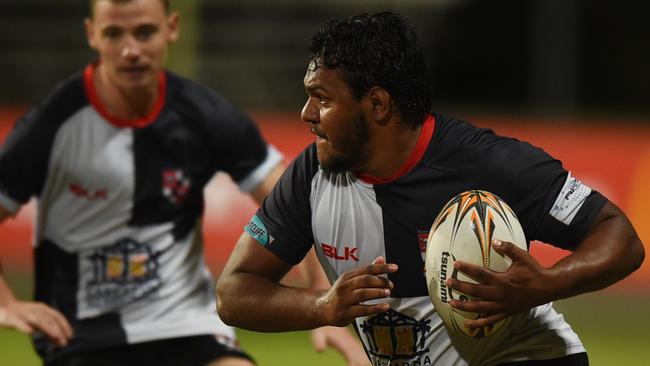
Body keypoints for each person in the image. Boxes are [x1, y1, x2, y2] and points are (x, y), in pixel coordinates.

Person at [216, 11, 645, 366]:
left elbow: (619, 237)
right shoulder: (312, 175)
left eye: (322, 98)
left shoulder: (487, 163)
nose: (306, 113)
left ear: (378, 104)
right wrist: (322, 307)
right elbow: (234, 293)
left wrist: (546, 283)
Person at [0, 0, 367, 365]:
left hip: (186, 327)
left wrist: (321, 299)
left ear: (171, 28)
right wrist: (6, 303)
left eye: (144, 32)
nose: (131, 50)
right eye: (114, 34)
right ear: (92, 35)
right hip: (85, 337)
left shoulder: (203, 114)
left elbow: (294, 202)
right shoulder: (54, 123)